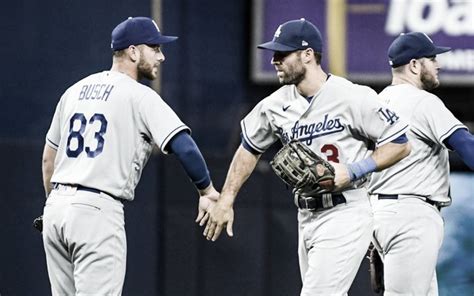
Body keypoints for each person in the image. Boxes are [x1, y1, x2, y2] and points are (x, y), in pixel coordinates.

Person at [199, 18, 411, 295]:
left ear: (308, 55)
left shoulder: (352, 96)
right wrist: (227, 198)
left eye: (282, 53)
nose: (274, 60)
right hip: (306, 215)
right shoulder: (274, 105)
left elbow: (400, 143)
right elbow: (248, 149)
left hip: (347, 209)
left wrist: (354, 169)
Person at [41, 16, 219, 295]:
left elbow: (48, 159)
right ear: (133, 52)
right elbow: (184, 145)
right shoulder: (139, 95)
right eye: (155, 48)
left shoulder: (74, 91)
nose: (161, 56)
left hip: (55, 210)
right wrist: (207, 191)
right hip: (97, 212)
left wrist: (54, 203)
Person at [368, 32, 474, 295]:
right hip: (411, 217)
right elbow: (466, 146)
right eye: (432, 58)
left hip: (379, 213)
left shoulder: (375, 103)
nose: (437, 64)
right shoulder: (422, 102)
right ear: (414, 65)